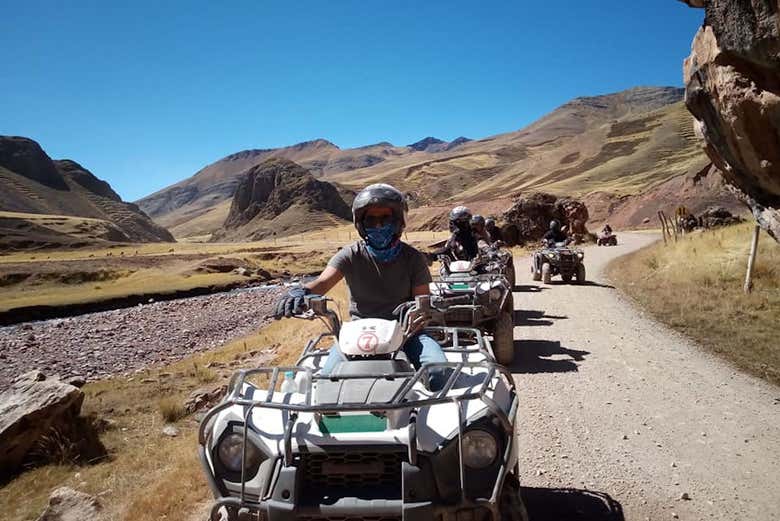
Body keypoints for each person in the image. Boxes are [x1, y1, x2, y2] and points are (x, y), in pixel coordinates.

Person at [275, 183, 448, 389]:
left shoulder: (413, 258)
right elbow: (322, 282)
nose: (378, 226)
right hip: (358, 334)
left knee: (438, 372)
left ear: (399, 221)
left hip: (406, 331)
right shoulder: (350, 254)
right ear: (360, 224)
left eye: (386, 219)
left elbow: (422, 303)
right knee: (326, 382)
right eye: (371, 219)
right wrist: (301, 292)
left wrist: (412, 324)